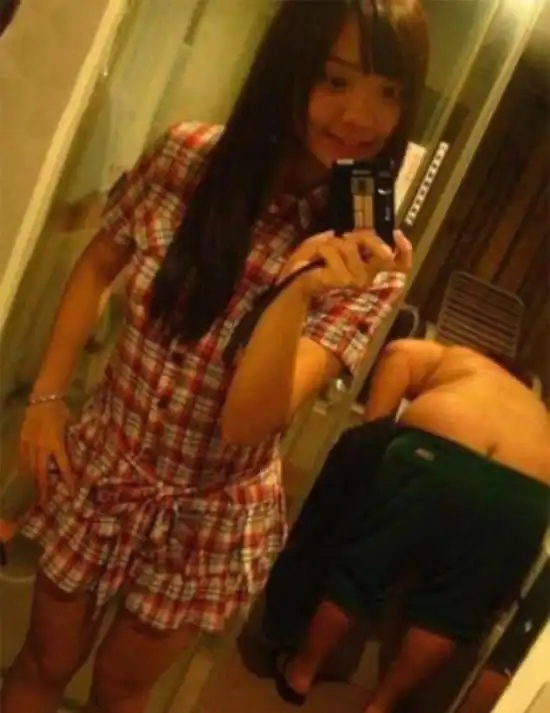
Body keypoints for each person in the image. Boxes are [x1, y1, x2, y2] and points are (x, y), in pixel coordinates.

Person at [0, 2, 428, 712]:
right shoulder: (185, 157)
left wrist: (298, 289)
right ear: (290, 68)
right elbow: (98, 263)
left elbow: (247, 424)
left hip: (209, 515)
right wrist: (46, 399)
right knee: (43, 660)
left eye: (389, 91)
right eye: (335, 80)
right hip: (105, 461)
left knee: (120, 692)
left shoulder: (369, 265)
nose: (361, 115)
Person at [274, 339, 550, 712]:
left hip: (440, 451)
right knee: (451, 610)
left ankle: (300, 673)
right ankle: (380, 705)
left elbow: (398, 352)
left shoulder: (461, 359)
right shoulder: (536, 409)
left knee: (363, 566)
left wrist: (373, 433)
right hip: (527, 493)